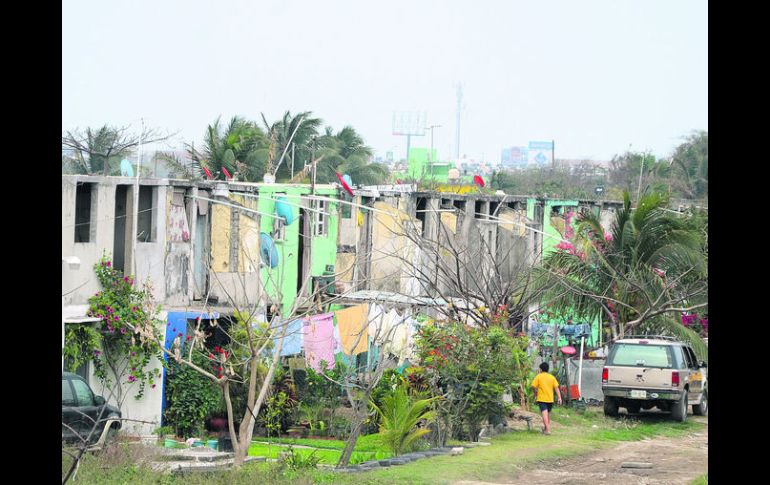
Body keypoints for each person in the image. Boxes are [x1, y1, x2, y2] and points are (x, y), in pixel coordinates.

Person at [531, 362, 562, 435]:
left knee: (544, 415)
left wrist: (535, 392)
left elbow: (533, 386)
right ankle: (546, 429)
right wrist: (559, 398)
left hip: (542, 398)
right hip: (550, 399)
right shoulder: (552, 377)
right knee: (548, 415)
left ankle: (548, 430)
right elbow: (556, 388)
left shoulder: (538, 376)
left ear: (541, 369)